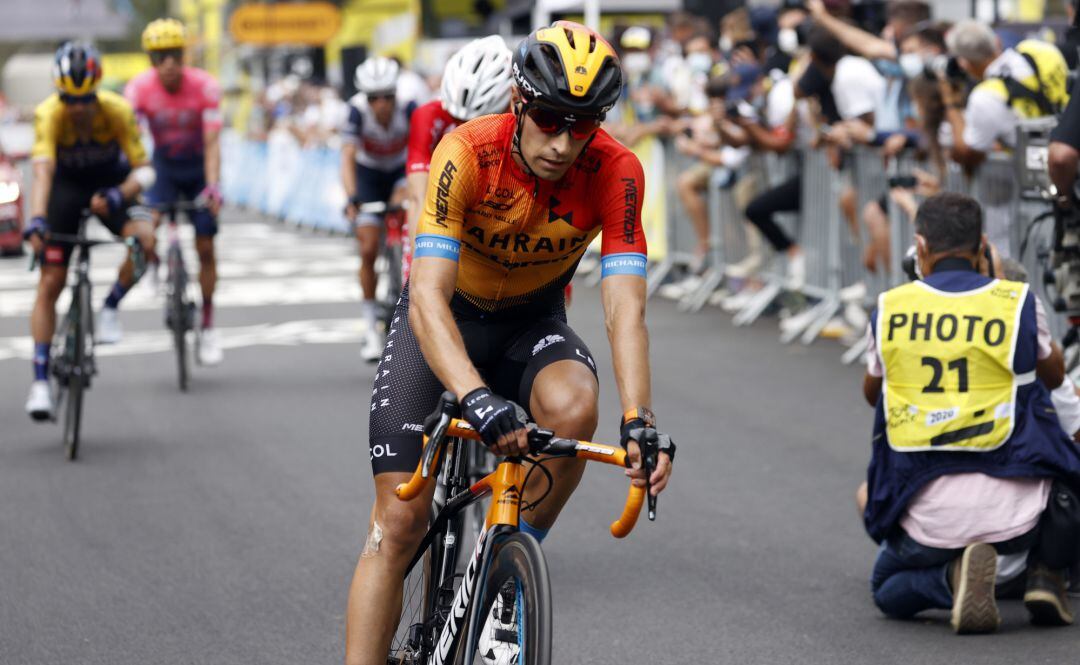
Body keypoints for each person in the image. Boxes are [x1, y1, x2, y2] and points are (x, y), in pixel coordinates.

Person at [343, 22, 675, 665]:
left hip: (531, 319)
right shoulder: (466, 150)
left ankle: (506, 566)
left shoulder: (618, 170)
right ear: (520, 103)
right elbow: (427, 297)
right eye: (550, 118)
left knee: (577, 405)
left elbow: (625, 307)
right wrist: (473, 396)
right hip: (446, 318)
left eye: (582, 125)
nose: (562, 141)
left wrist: (640, 420)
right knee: (399, 524)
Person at [861, 192, 1080, 633]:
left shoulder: (889, 309)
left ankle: (950, 579)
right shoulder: (1017, 302)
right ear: (983, 245)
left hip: (927, 518)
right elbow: (1056, 376)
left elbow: (873, 393)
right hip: (1020, 520)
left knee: (886, 585)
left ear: (920, 247)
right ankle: (1047, 572)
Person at [23, 42, 156, 419]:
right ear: (59, 93)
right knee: (50, 282)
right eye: (70, 99)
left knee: (145, 241)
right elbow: (43, 171)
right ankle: (39, 382)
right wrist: (37, 219)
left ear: (97, 92)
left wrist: (119, 194)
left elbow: (145, 171)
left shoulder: (117, 109)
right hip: (65, 191)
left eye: (86, 100)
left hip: (111, 186)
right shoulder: (49, 113)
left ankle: (111, 306)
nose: (78, 108)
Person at [125, 18, 225, 365]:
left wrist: (213, 185)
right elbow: (134, 143)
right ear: (150, 59)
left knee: (205, 246)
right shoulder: (137, 89)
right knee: (145, 229)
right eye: (159, 56)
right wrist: (135, 184)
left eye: (175, 55)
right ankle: (153, 265)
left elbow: (212, 143)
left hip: (198, 169)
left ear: (184, 56)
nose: (168, 63)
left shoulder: (205, 86)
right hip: (163, 169)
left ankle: (209, 327)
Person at [404, 36, 512, 274]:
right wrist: (420, 264)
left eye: (476, 122)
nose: (467, 129)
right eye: (458, 120)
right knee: (420, 291)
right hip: (439, 203)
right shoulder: (428, 116)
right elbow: (418, 197)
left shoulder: (517, 121)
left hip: (495, 211)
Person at [341, 56, 417, 362]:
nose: (382, 104)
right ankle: (371, 325)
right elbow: (346, 157)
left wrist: (410, 190)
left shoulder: (411, 108)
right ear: (365, 98)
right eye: (374, 98)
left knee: (407, 218)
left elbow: (422, 152)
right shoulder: (356, 112)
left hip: (400, 171)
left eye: (388, 96)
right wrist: (351, 197)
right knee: (369, 247)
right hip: (369, 175)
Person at [941, 19, 1069, 171]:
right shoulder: (1042, 50)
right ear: (997, 41)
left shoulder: (984, 97)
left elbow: (969, 155)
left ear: (964, 63)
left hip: (1034, 174)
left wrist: (951, 103)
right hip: (1070, 149)